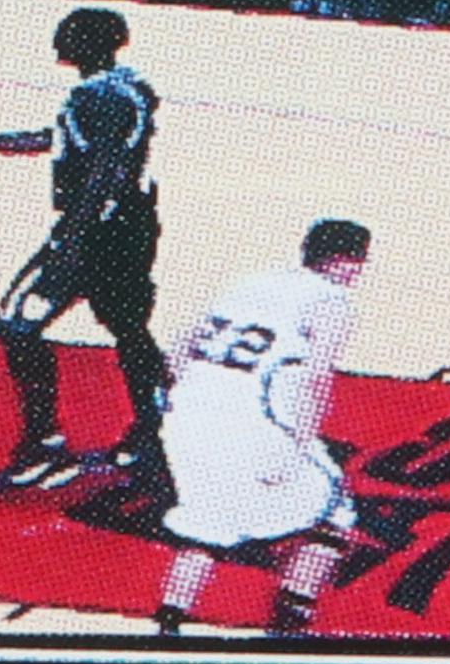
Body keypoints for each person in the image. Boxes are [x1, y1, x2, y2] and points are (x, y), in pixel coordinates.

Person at [0, 8, 165, 498]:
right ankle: (154, 430)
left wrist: (70, 243)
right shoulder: (123, 87)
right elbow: (55, 141)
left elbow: (102, 171)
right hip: (129, 227)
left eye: (70, 31)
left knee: (18, 322)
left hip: (96, 232)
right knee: (128, 327)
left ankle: (45, 446)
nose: (60, 37)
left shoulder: (99, 97)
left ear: (89, 42)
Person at [155, 221, 372, 639]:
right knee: (336, 511)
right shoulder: (333, 303)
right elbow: (315, 381)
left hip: (186, 421)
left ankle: (168, 624)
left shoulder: (251, 284)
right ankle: (290, 627)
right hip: (252, 428)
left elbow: (177, 353)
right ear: (349, 262)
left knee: (206, 524)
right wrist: (298, 448)